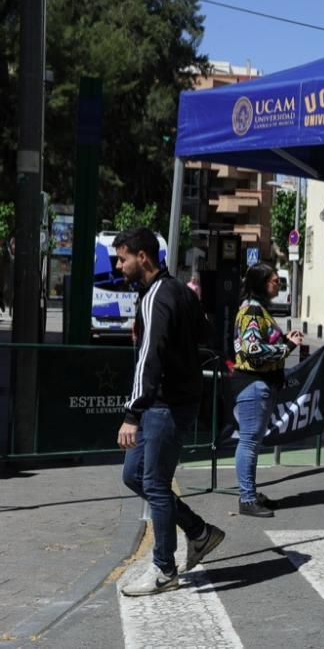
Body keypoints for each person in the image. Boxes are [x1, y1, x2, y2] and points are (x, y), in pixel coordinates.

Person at [114, 228, 225, 596]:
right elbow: (205, 333)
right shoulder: (177, 290)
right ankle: (198, 531)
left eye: (123, 257)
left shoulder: (156, 297)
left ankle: (164, 569)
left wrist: (132, 413)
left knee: (156, 485)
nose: (119, 265)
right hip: (175, 400)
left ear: (143, 257)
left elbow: (150, 359)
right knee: (135, 476)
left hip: (164, 405)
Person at [231, 263, 304, 517]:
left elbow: (261, 342)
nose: (278, 284)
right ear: (261, 282)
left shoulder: (258, 309)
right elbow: (252, 349)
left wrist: (283, 340)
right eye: (274, 280)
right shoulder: (252, 310)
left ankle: (250, 493)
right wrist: (288, 348)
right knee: (249, 442)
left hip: (260, 383)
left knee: (252, 441)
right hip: (252, 383)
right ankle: (247, 498)